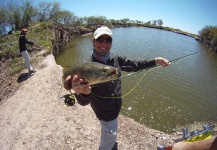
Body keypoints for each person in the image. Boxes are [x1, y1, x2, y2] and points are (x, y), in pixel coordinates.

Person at [66, 26, 170, 150]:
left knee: (108, 131)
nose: (104, 43)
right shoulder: (85, 68)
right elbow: (83, 101)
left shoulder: (116, 59)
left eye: (108, 40)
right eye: (100, 39)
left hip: (115, 107)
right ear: (93, 41)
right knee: (109, 137)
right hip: (105, 112)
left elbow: (135, 65)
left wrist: (155, 61)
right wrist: (83, 93)